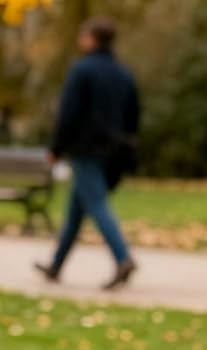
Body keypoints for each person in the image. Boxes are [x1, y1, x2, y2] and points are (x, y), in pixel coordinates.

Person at [35, 15, 140, 291]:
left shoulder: (82, 71)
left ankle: (123, 258)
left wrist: (56, 149)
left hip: (86, 148)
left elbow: (68, 114)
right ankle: (56, 266)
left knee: (96, 204)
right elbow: (133, 115)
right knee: (76, 210)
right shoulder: (123, 73)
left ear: (91, 39)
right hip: (114, 150)